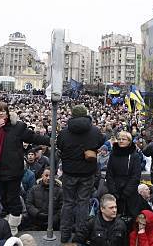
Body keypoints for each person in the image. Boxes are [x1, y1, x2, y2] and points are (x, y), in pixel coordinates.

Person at [0, 102, 50, 236]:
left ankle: (13, 226)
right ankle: (10, 220)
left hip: (13, 170)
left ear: (7, 112)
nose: (0, 113)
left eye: (3, 110)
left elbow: (33, 137)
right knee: (2, 197)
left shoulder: (18, 126)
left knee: (13, 198)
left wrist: (50, 140)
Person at [56, 104, 105, 244]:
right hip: (87, 173)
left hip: (69, 172)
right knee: (83, 203)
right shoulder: (94, 131)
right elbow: (101, 140)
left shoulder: (65, 132)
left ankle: (64, 235)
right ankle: (80, 235)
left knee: (68, 203)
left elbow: (60, 145)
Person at [106, 131, 142, 220]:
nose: (121, 141)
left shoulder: (134, 156)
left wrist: (126, 192)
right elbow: (109, 174)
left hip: (129, 194)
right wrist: (113, 191)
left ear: (129, 141)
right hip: (115, 193)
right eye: (119, 139)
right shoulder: (113, 155)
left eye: (123, 139)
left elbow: (136, 176)